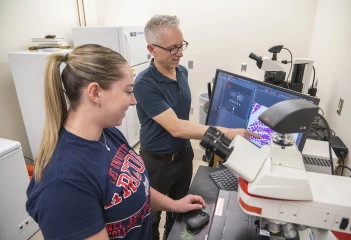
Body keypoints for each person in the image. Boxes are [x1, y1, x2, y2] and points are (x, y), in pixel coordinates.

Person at [26, 44, 206, 240]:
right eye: (128, 92)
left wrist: (174, 204)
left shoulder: (108, 133)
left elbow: (135, 186)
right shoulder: (64, 183)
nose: (133, 101)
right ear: (95, 93)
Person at [133, 15, 260, 240]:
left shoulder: (182, 72)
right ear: (151, 48)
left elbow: (182, 120)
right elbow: (176, 127)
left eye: (181, 46)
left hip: (184, 157)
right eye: (172, 49)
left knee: (180, 211)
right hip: (157, 163)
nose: (180, 53)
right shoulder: (144, 83)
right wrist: (226, 132)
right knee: (149, 219)